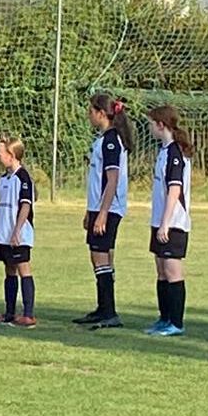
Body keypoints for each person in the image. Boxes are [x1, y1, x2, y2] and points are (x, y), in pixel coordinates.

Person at [74, 93, 132, 330]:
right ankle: (102, 308)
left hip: (108, 209)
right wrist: (91, 211)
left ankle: (109, 312)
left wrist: (103, 213)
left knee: (101, 256)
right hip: (99, 208)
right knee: (98, 255)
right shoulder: (103, 139)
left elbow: (112, 179)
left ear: (101, 113)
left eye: (91, 110)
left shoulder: (111, 140)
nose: (89, 114)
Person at [145, 106, 193, 337]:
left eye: (151, 123)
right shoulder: (164, 151)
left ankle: (176, 322)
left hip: (173, 222)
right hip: (159, 220)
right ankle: (164, 318)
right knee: (161, 271)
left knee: (172, 271)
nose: (149, 127)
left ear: (161, 125)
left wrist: (165, 223)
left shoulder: (175, 152)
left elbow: (175, 189)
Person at [0, 136, 36, 328]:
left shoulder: (22, 177)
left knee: (23, 268)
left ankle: (28, 314)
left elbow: (25, 205)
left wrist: (17, 230)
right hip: (4, 234)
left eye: (0, 152)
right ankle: (9, 312)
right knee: (9, 269)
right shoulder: (4, 179)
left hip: (18, 234)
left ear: (12, 155)